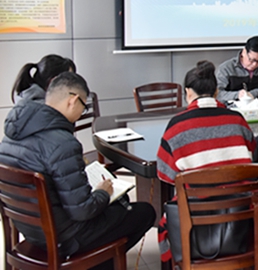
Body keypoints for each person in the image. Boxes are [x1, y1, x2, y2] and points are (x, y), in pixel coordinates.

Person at [0, 72, 155, 267]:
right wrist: (103, 192)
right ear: (73, 100)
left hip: (31, 231)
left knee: (119, 205)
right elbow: (83, 211)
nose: (82, 112)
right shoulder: (63, 143)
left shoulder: (11, 135)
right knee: (143, 212)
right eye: (84, 106)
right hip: (65, 238)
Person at [157, 60, 256, 262]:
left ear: (188, 92)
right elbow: (253, 155)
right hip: (240, 213)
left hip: (194, 215)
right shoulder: (237, 119)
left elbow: (165, 174)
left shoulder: (176, 126)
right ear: (216, 92)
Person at [216, 36, 258, 103]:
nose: (254, 64)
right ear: (244, 52)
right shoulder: (226, 68)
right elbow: (218, 94)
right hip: (233, 107)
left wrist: (254, 93)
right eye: (251, 59)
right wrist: (238, 95)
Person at [11, 54, 76, 104]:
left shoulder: (25, 98)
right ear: (54, 81)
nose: (72, 86)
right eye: (69, 80)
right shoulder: (44, 109)